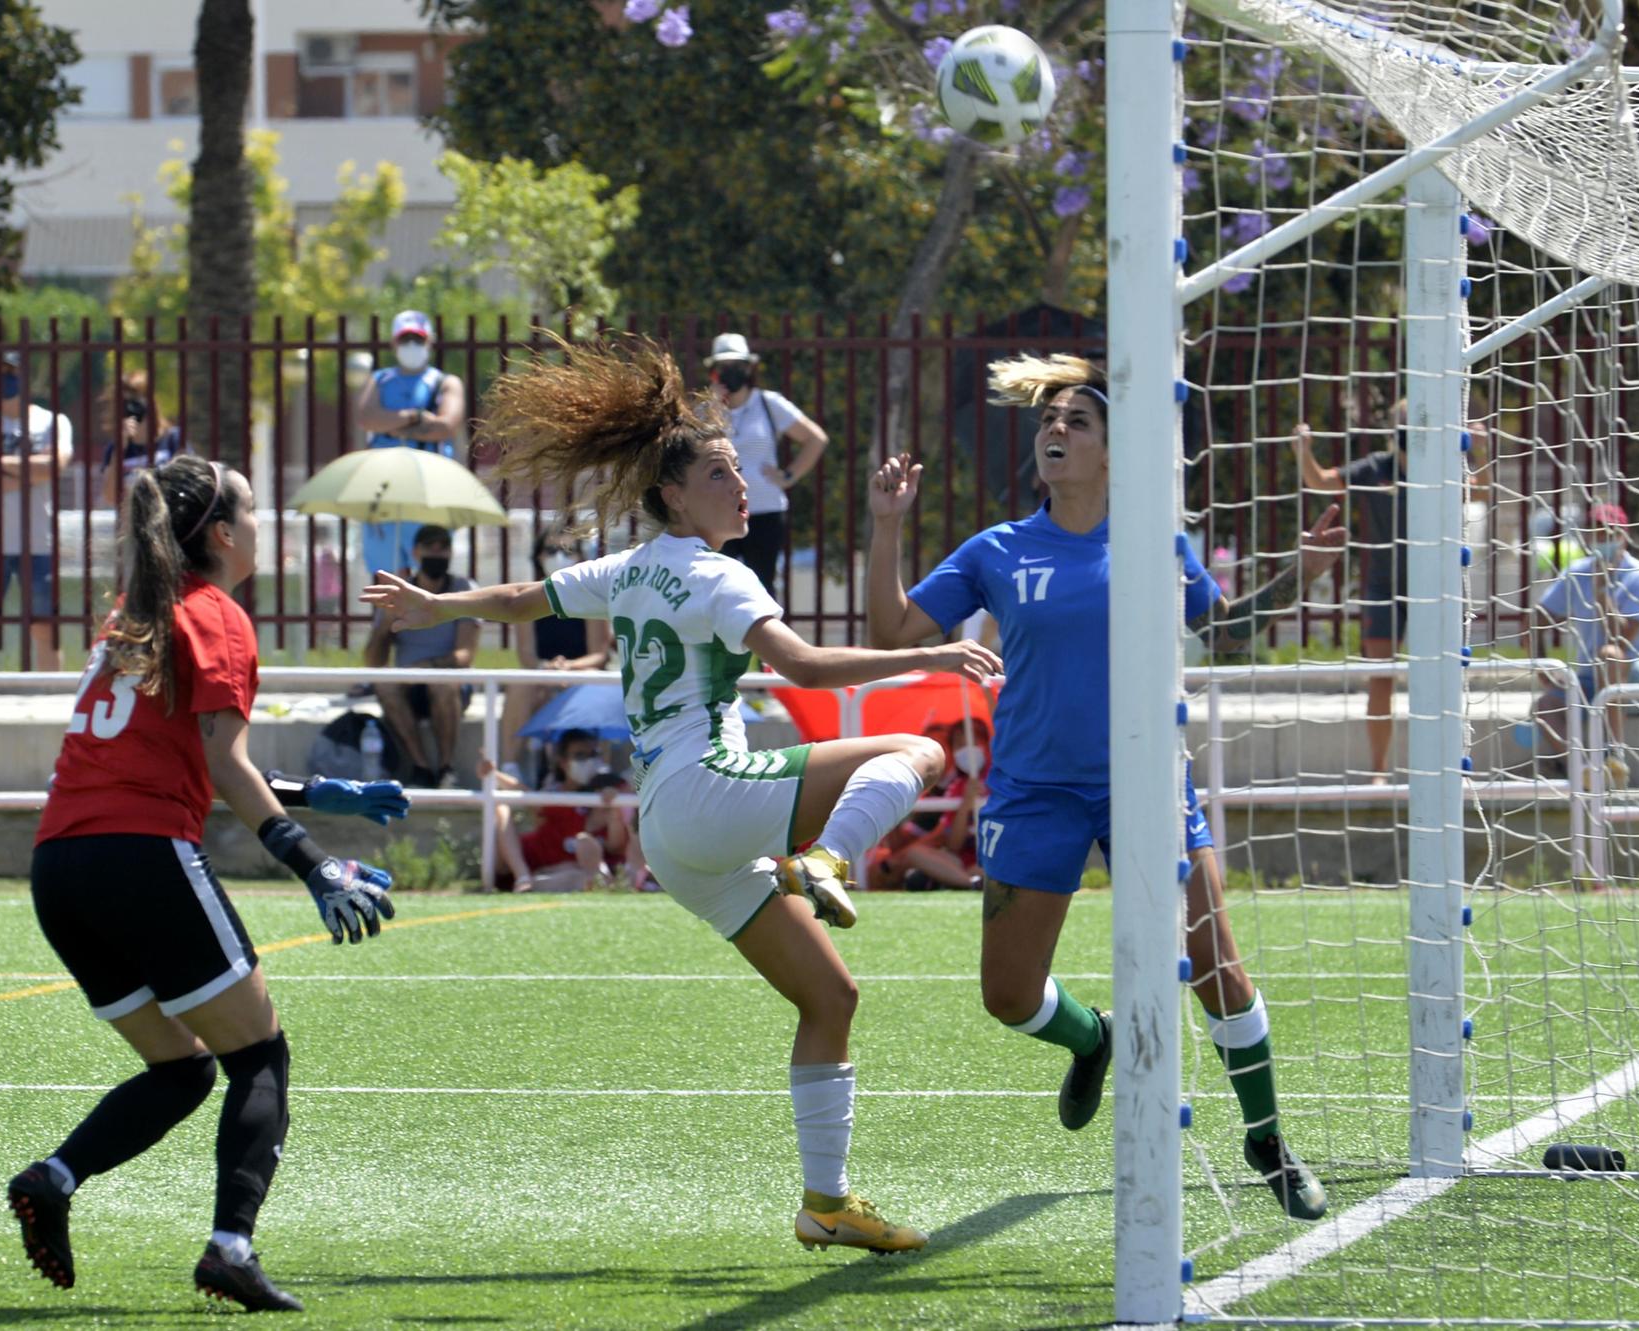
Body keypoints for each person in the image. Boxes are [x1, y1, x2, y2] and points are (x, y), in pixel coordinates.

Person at [362, 334, 1001, 1254]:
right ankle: (823, 858)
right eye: (719, 473)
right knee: (912, 749)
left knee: (831, 996)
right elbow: (807, 667)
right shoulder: (717, 573)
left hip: (678, 830)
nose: (740, 487)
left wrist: (440, 607)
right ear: (672, 494)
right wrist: (931, 652)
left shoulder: (632, 567)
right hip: (707, 793)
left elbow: (524, 598)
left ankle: (826, 1202)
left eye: (740, 470)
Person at [866, 353, 1344, 1221]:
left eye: (1076, 421)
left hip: (1147, 782)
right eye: (1048, 420)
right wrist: (887, 524)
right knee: (1008, 997)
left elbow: (1223, 632)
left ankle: (1268, 1138)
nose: (1055, 429)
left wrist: (1299, 576)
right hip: (1034, 792)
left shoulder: (1156, 541)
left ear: (1114, 451)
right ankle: (1094, 1039)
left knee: (1218, 970)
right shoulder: (998, 550)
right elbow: (892, 628)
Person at [6, 454, 407, 1312]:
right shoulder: (214, 612)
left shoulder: (135, 610)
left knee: (182, 1070)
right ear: (222, 534)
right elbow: (221, 761)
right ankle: (230, 1247)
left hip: (61, 866)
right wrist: (313, 862)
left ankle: (55, 1176)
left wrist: (319, 792)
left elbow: (183, 753)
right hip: (141, 854)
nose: (263, 525)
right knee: (260, 1054)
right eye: (254, 510)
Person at [1292, 404, 1488, 783]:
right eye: (1403, 424)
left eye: (1416, 423)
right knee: (1381, 677)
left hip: (1433, 586)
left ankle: (1445, 765)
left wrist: (1479, 449)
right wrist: (1303, 451)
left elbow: (1482, 491)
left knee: (1440, 675)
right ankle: (1378, 771)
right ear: (1393, 430)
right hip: (1383, 585)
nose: (1409, 430)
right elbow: (1320, 481)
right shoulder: (1374, 468)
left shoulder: (1442, 465)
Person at [1531, 502, 1639, 789]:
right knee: (1545, 706)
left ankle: (1613, 756)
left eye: (1610, 533)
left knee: (1609, 655)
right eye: (1597, 533)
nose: (1603, 540)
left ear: (1623, 535)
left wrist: (1603, 591)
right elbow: (1536, 620)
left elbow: (1620, 638)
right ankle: (1582, 769)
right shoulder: (1577, 572)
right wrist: (1542, 665)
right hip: (1590, 679)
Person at [0, 351, 72, 672]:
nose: (4, 379)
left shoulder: (52, 421)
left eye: (10, 371)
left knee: (45, 628)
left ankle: (50, 696)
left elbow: (55, 466)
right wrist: (30, 471)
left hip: (38, 541)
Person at [704, 332, 829, 599]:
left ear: (749, 368)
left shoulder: (768, 403)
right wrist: (712, 407)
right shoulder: (705, 410)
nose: (731, 372)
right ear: (713, 372)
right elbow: (691, 449)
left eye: (737, 366)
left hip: (764, 511)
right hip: (718, 511)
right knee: (717, 589)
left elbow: (815, 439)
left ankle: (763, 642)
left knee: (762, 590)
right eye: (723, 367)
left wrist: (788, 475)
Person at [353, 310, 468, 579]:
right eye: (405, 340)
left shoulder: (445, 382)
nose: (411, 346)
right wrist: (415, 418)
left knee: (430, 571)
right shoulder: (379, 380)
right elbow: (366, 417)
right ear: (394, 344)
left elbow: (445, 426)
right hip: (383, 488)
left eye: (417, 339)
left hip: (430, 488)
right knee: (387, 575)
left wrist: (390, 424)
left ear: (429, 342)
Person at [364, 524, 477, 788]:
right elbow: (373, 662)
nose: (436, 554)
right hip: (409, 685)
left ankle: (446, 769)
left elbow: (464, 655)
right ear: (415, 552)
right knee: (384, 685)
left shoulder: (462, 589)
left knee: (442, 684)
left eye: (443, 547)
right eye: (429, 547)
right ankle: (421, 768)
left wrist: (430, 666)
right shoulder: (399, 594)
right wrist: (385, 625)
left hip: (449, 685)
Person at [499, 527, 614, 779]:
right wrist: (549, 669)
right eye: (551, 550)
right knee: (521, 686)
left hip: (582, 673)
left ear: (579, 557)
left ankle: (598, 764)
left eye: (567, 550)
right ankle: (509, 766)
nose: (559, 556)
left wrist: (568, 667)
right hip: (543, 674)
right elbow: (526, 656)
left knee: (593, 686)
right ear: (538, 557)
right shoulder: (527, 597)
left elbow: (599, 654)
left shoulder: (591, 596)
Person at [479, 738, 648, 892]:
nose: (589, 760)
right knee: (501, 806)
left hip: (565, 874)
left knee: (577, 874)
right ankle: (522, 876)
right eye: (580, 755)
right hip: (517, 865)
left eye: (594, 754)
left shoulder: (608, 799)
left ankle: (531, 883)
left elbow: (616, 845)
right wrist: (492, 774)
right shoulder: (566, 802)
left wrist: (614, 810)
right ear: (563, 762)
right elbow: (526, 795)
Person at [863, 719, 988, 892]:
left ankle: (951, 880)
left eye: (974, 741)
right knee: (903, 858)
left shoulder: (1000, 778)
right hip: (958, 860)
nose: (967, 749)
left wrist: (897, 857)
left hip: (991, 858)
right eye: (960, 744)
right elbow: (953, 844)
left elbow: (938, 837)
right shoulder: (955, 787)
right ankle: (969, 882)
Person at [98, 370, 185, 508]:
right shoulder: (115, 447)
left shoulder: (172, 438)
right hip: (132, 524)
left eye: (136, 400)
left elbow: (187, 484)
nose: (131, 408)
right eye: (125, 402)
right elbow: (110, 497)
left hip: (169, 520)